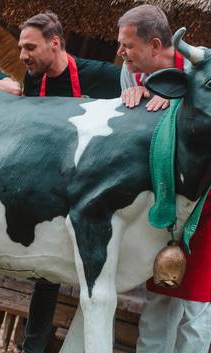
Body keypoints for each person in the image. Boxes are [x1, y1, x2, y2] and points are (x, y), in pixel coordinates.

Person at [18, 11, 122, 353]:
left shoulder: (102, 75)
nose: (23, 56)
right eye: (21, 48)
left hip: (97, 191)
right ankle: (33, 346)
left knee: (96, 281)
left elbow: (138, 91)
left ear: (55, 43)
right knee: (45, 276)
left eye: (30, 47)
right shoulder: (33, 80)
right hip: (51, 191)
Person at [117, 5, 211, 353]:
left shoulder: (200, 72)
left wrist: (175, 104)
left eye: (127, 45)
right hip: (159, 207)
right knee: (160, 299)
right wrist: (132, 106)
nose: (120, 53)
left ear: (155, 45)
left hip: (203, 204)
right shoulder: (131, 75)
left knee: (196, 309)